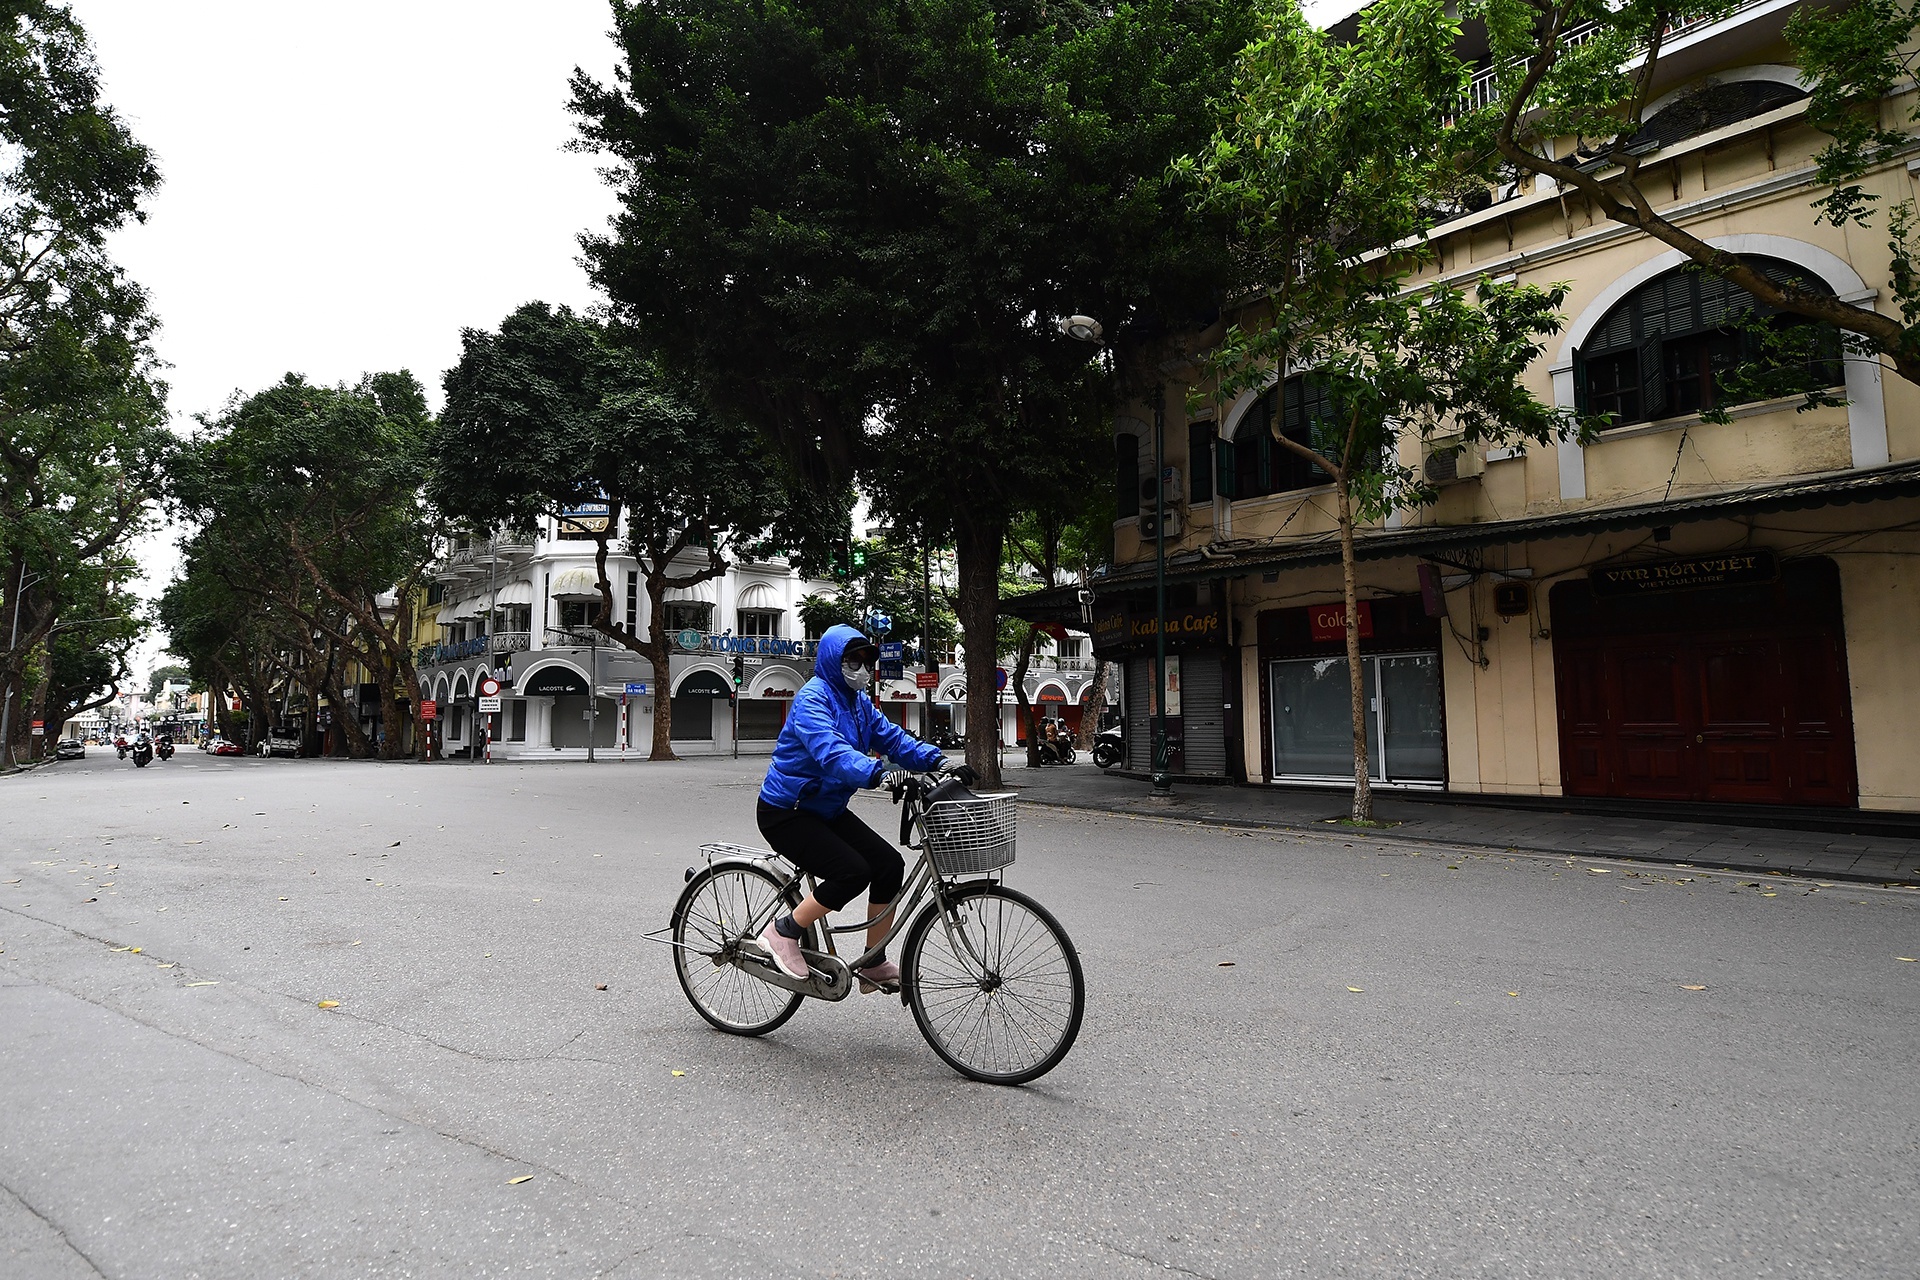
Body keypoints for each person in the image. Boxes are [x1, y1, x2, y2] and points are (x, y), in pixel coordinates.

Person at [756, 624, 947, 991]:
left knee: (889, 865)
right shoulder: (813, 699)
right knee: (853, 872)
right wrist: (879, 772)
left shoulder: (859, 704)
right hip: (787, 811)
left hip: (826, 809)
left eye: (865, 660)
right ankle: (784, 931)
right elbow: (832, 752)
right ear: (833, 661)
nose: (860, 667)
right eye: (852, 659)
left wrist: (938, 761)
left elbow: (892, 737)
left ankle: (873, 961)